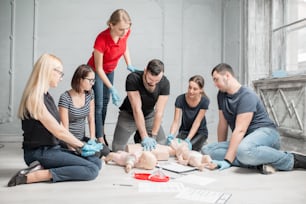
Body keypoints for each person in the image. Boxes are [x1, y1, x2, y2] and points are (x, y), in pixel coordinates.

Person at [7, 54, 103, 187]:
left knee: (96, 162)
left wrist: (77, 147)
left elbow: (61, 128)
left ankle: (41, 167)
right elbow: (58, 131)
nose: (61, 77)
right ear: (49, 71)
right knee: (91, 170)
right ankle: (35, 175)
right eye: (60, 73)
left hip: (53, 148)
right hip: (38, 152)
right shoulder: (34, 98)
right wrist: (82, 146)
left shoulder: (47, 97)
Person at [201, 63, 306, 174]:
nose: (215, 84)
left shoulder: (246, 95)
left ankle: (292, 159)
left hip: (266, 134)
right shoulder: (221, 95)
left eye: (216, 79)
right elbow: (222, 123)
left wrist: (227, 160)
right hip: (245, 140)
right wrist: (220, 148)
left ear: (227, 76)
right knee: (208, 150)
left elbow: (240, 130)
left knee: (243, 150)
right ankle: (260, 163)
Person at [87, 9, 138, 146]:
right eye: (121, 29)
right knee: (98, 105)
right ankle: (99, 139)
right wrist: (112, 88)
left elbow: (124, 46)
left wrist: (129, 64)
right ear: (111, 25)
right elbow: (98, 68)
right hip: (96, 71)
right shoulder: (101, 39)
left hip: (110, 70)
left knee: (105, 103)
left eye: (127, 29)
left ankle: (100, 132)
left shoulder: (125, 33)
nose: (124, 32)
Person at [112, 59, 170, 152]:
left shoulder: (164, 82)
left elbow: (159, 111)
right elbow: (136, 109)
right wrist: (145, 137)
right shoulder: (133, 78)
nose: (153, 83)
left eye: (157, 80)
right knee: (117, 148)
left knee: (162, 144)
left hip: (149, 115)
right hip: (129, 115)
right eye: (150, 79)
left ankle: (139, 136)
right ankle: (140, 134)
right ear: (145, 70)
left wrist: (153, 136)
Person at [58, 64, 110, 157]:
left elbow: (91, 118)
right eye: (90, 80)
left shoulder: (90, 94)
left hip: (81, 139)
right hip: (68, 141)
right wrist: (73, 148)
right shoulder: (65, 98)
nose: (93, 83)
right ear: (80, 79)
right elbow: (64, 129)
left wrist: (93, 139)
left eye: (94, 80)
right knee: (96, 154)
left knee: (105, 150)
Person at [166, 75, 209, 151]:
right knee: (174, 147)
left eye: (195, 89)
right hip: (184, 131)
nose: (191, 91)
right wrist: (171, 135)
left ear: (201, 90)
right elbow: (176, 121)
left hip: (200, 132)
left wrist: (188, 140)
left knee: (186, 149)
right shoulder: (180, 99)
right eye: (189, 87)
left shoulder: (204, 101)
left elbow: (197, 122)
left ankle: (202, 142)